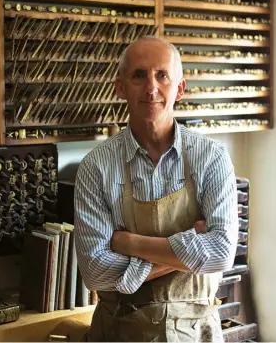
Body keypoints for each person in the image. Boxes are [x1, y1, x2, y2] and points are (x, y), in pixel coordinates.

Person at [74, 37, 238, 342]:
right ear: (120, 87)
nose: (151, 88)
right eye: (139, 75)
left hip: (196, 333)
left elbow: (221, 253)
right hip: (118, 332)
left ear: (179, 88)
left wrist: (128, 243)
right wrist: (191, 244)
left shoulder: (211, 158)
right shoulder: (96, 167)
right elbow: (95, 272)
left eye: (162, 75)